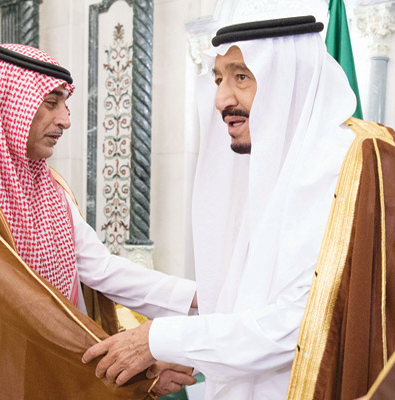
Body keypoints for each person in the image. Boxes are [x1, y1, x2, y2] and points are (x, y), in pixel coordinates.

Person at [82, 15, 395, 399]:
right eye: (218, 79)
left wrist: (158, 339)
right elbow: (245, 307)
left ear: (289, 77)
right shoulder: (264, 164)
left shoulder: (342, 168)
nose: (221, 99)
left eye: (241, 76)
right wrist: (188, 352)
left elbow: (301, 327)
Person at [0, 41, 198, 399]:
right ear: (5, 103)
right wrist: (132, 371)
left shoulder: (46, 183)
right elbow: (17, 296)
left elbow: (99, 268)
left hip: (50, 369)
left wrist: (198, 297)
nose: (66, 120)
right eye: (51, 103)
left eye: (65, 104)